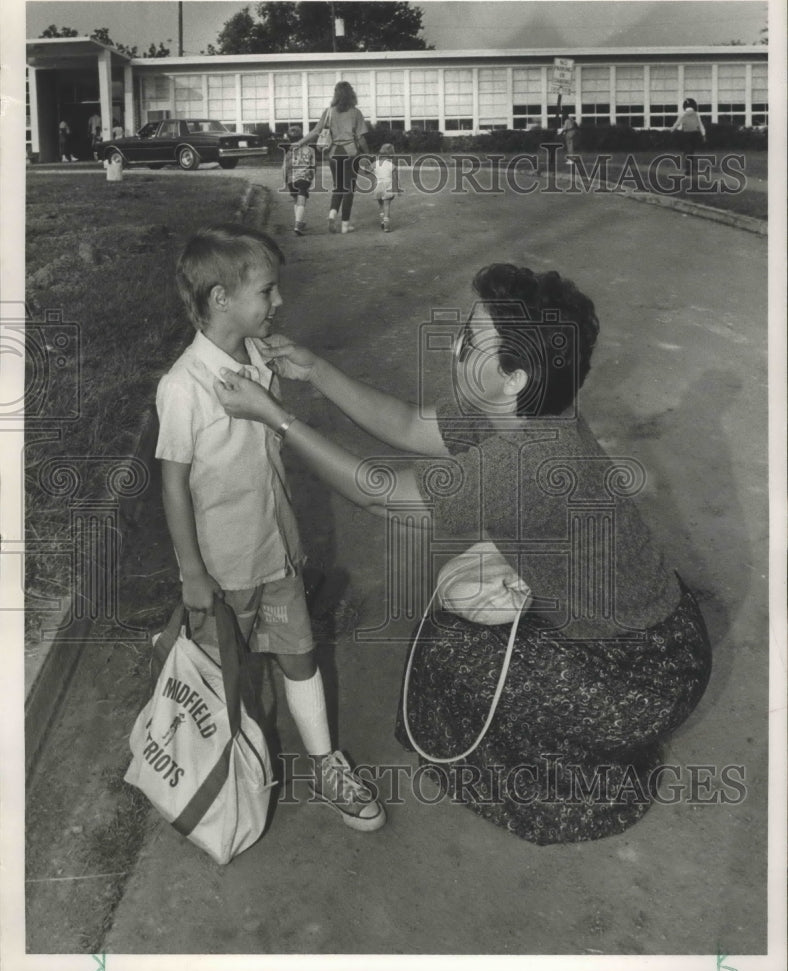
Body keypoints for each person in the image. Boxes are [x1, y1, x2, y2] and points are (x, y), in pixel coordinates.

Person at [213, 262, 713, 846]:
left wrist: (274, 417)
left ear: (515, 376)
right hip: (651, 631)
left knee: (450, 656)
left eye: (471, 342)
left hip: (646, 673)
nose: (455, 347)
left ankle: (578, 777)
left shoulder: (528, 463)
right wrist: (314, 369)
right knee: (458, 620)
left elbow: (373, 494)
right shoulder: (524, 413)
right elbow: (404, 423)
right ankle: (587, 741)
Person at [155, 222, 386, 833]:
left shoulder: (259, 356)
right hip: (223, 570)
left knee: (299, 657)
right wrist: (193, 575)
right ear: (220, 300)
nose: (278, 303)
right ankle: (214, 773)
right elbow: (173, 484)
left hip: (276, 551)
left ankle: (324, 763)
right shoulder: (183, 388)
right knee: (226, 678)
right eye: (268, 291)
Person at [294, 81, 370, 234]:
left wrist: (299, 142)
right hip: (350, 153)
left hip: (334, 154)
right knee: (349, 189)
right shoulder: (356, 113)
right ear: (351, 94)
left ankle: (332, 213)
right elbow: (361, 138)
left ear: (336, 94)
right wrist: (367, 154)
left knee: (338, 187)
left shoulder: (328, 112)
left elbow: (316, 132)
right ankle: (345, 225)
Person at [280, 125, 315, 236]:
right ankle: (297, 224)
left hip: (291, 179)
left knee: (296, 199)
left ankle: (299, 221)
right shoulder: (310, 149)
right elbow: (313, 165)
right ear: (302, 137)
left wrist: (285, 180)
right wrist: (312, 177)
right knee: (302, 199)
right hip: (304, 177)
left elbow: (284, 167)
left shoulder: (289, 151)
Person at [671, 98, 706, 177]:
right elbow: (700, 125)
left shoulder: (682, 114)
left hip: (685, 135)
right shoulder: (696, 114)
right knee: (691, 152)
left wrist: (672, 130)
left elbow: (678, 125)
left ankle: (688, 169)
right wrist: (703, 135)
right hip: (694, 134)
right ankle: (691, 169)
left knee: (687, 152)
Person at [372, 142, 400, 233]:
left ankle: (382, 220)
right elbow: (395, 178)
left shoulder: (375, 164)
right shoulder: (392, 166)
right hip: (388, 186)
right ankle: (386, 225)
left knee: (380, 204)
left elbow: (367, 170)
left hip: (378, 186)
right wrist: (397, 190)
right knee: (387, 205)